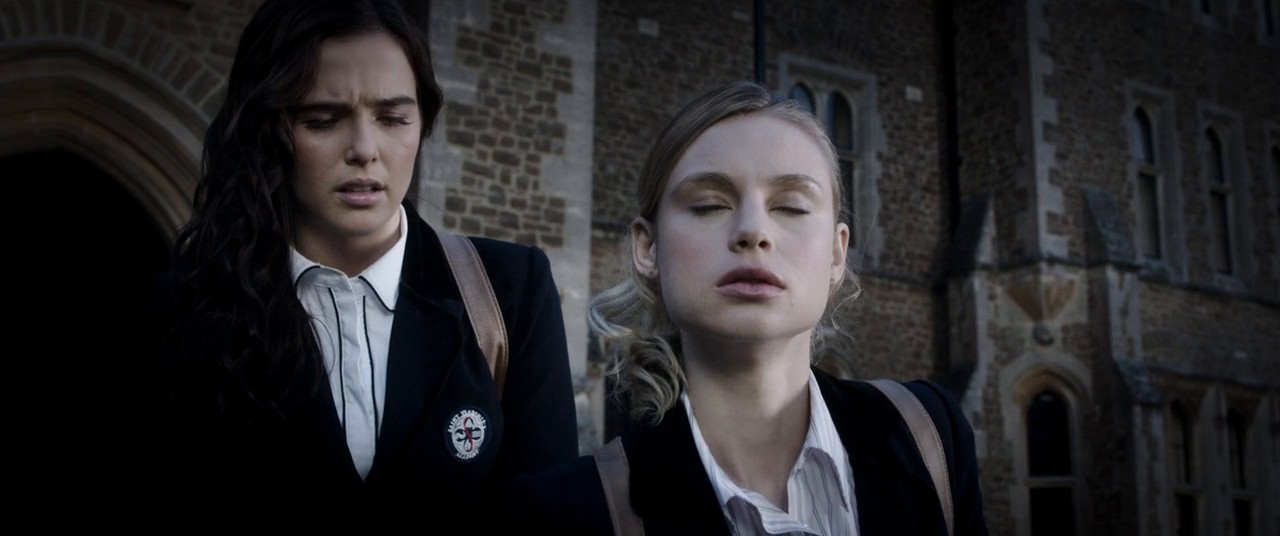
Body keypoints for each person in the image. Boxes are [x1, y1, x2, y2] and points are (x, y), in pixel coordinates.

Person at [147, 0, 577, 522]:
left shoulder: (510, 292)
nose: (365, 149)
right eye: (323, 120)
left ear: (422, 123)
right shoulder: (184, 308)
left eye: (393, 118)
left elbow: (551, 516)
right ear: (268, 129)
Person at [503, 81, 988, 535]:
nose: (754, 231)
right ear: (648, 248)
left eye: (791, 207)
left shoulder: (929, 437)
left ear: (837, 253)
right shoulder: (562, 513)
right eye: (709, 205)